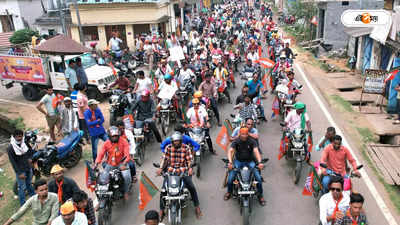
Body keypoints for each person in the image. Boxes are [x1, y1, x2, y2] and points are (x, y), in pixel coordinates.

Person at [156, 133, 202, 220]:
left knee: (191, 187)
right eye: (174, 141)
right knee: (163, 190)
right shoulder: (168, 148)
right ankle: (161, 210)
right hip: (170, 171)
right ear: (172, 142)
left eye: (178, 141)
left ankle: (197, 206)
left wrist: (190, 168)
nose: (176, 142)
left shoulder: (186, 148)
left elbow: (189, 160)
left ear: (181, 141)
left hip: (183, 171)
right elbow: (164, 158)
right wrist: (161, 168)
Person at [224, 127, 265, 205]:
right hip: (238, 162)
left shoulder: (252, 141)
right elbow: (230, 151)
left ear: (248, 134)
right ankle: (229, 192)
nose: (244, 136)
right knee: (230, 179)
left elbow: (256, 151)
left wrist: (260, 162)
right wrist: (230, 162)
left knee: (258, 178)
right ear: (240, 133)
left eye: (246, 134)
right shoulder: (236, 141)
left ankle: (260, 195)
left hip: (250, 162)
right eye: (243, 134)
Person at [95, 126, 132, 201]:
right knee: (103, 178)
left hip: (122, 163)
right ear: (109, 136)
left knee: (127, 177)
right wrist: (96, 163)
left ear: (118, 135)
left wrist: (124, 163)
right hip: (110, 164)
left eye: (116, 136)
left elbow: (127, 155)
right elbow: (101, 154)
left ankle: (126, 192)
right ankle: (101, 198)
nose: (114, 138)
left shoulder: (124, 141)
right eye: (113, 136)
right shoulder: (106, 143)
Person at [7, 129, 35, 206]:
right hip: (21, 170)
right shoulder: (10, 148)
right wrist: (19, 173)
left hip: (28, 167)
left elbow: (30, 151)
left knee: (29, 183)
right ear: (14, 137)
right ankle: (23, 203)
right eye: (18, 137)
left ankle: (34, 196)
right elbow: (13, 162)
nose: (19, 138)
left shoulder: (24, 143)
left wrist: (30, 158)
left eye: (21, 136)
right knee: (21, 187)